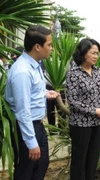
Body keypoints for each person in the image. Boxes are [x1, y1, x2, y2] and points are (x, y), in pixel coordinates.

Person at [5, 25, 59, 180]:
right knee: (26, 171)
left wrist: (44, 93)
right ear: (37, 46)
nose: (51, 48)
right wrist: (30, 141)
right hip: (26, 128)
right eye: (49, 45)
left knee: (40, 166)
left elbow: (29, 93)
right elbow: (22, 111)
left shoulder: (34, 66)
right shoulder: (22, 71)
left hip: (37, 126)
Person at [66, 38, 100, 180]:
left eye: (97, 53)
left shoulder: (97, 71)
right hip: (80, 124)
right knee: (79, 161)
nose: (96, 56)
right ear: (84, 53)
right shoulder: (74, 73)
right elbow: (72, 101)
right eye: (93, 53)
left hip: (97, 123)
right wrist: (95, 111)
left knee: (93, 159)